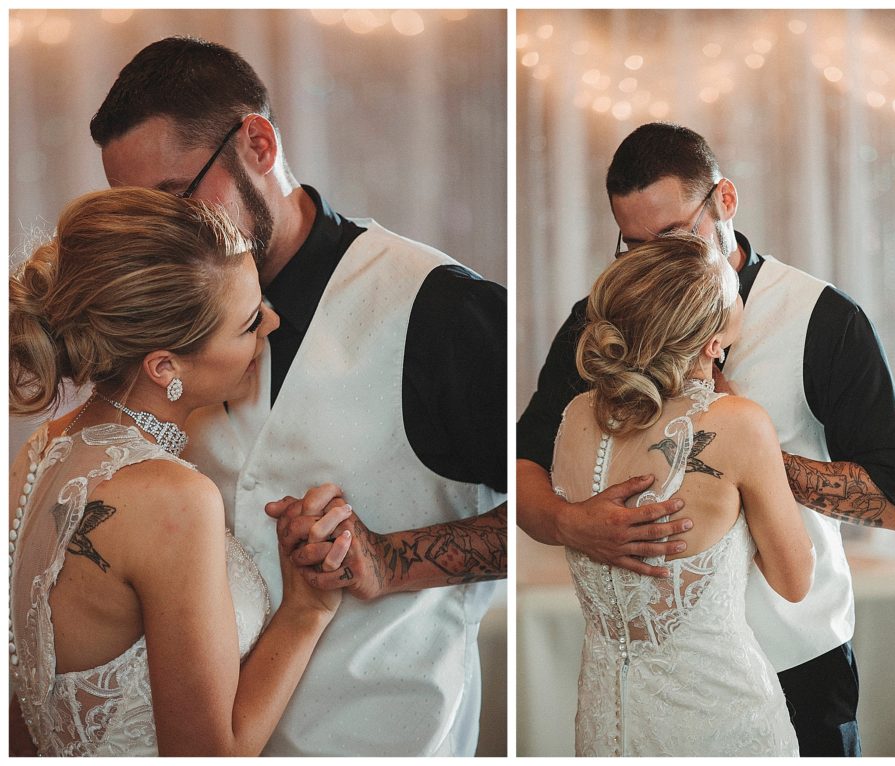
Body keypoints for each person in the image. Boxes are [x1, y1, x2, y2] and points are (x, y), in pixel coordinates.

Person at [88, 36, 507, 756]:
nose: (166, 240)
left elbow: (550, 505)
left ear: (256, 142)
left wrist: (393, 556)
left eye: (175, 202)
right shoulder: (165, 321)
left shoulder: (441, 310)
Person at [518, 123, 895, 756]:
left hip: (796, 660)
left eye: (675, 236)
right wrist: (569, 523)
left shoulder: (821, 318)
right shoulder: (602, 322)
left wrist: (745, 460)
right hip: (646, 676)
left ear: (724, 201)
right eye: (632, 246)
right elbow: (523, 463)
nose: (653, 263)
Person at [8, 187, 348, 755]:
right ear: (165, 366)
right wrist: (305, 612)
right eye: (246, 324)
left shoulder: (45, 448)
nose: (272, 322)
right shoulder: (173, 497)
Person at [553, 234, 811, 756]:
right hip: (720, 722)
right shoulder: (739, 424)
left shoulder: (575, 418)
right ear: (713, 344)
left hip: (606, 727)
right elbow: (794, 579)